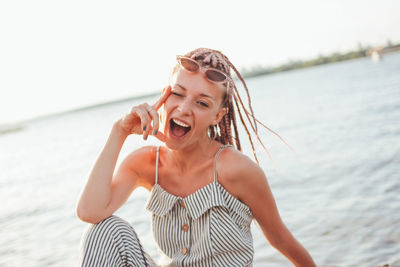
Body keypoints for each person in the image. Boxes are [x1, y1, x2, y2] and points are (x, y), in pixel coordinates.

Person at [76, 48, 316, 267]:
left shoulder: (237, 170)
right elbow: (90, 212)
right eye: (178, 94)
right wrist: (120, 131)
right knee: (105, 231)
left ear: (217, 116)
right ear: (164, 96)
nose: (183, 109)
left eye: (202, 103)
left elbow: (281, 240)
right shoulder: (146, 164)